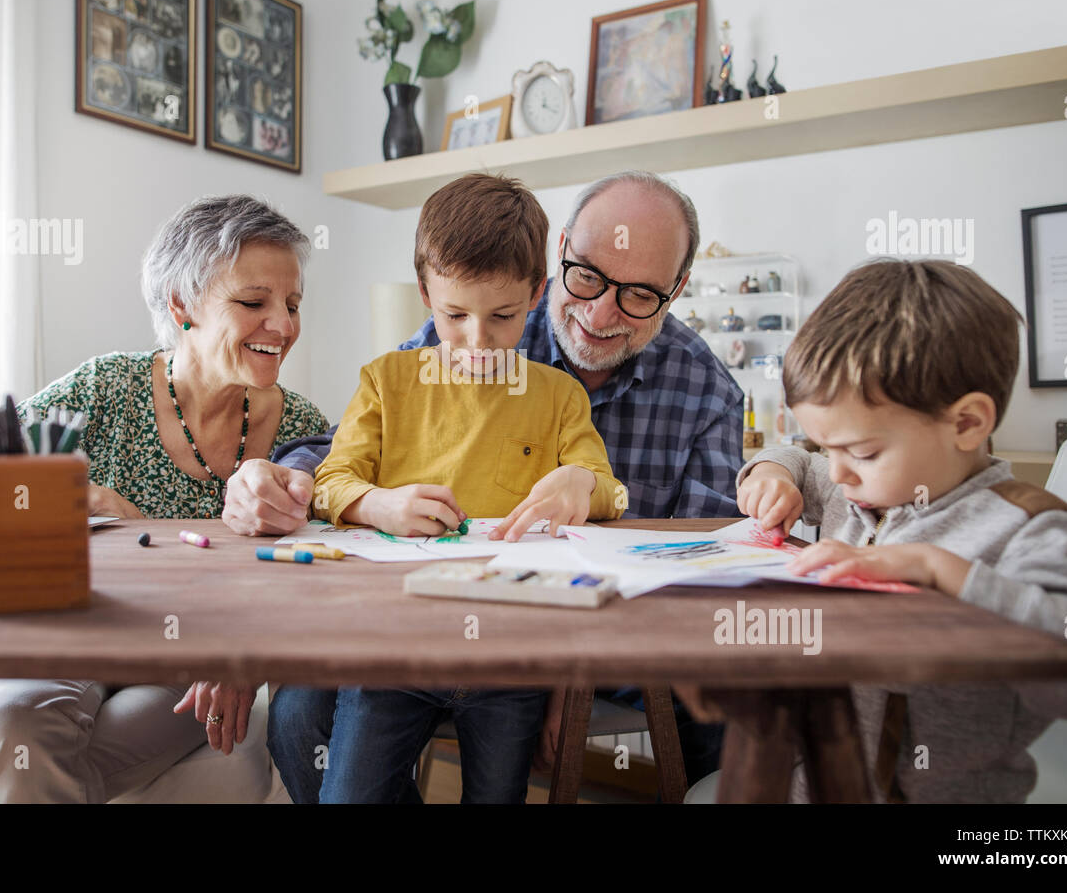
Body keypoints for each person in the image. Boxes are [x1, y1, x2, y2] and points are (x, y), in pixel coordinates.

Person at [264, 170, 741, 798]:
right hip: (416, 627)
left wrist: (572, 663)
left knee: (728, 698)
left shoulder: (704, 390)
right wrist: (289, 480)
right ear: (561, 256)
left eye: (639, 296)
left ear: (677, 289)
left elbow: (701, 569)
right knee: (298, 715)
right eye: (590, 277)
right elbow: (340, 456)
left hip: (586, 633)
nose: (600, 313)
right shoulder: (446, 343)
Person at [0, 194, 328, 802]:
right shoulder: (104, 388)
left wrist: (244, 651)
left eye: (292, 304)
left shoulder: (302, 429)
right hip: (81, 629)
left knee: (37, 760)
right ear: (182, 305)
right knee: (17, 719)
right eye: (253, 302)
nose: (286, 325)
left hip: (193, 654)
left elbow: (319, 571)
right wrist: (66, 498)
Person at [734, 258, 1067, 802]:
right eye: (826, 446)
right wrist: (774, 471)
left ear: (966, 424)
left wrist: (944, 573)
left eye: (863, 451)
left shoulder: (1032, 530)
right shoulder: (854, 486)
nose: (838, 471)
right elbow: (794, 459)